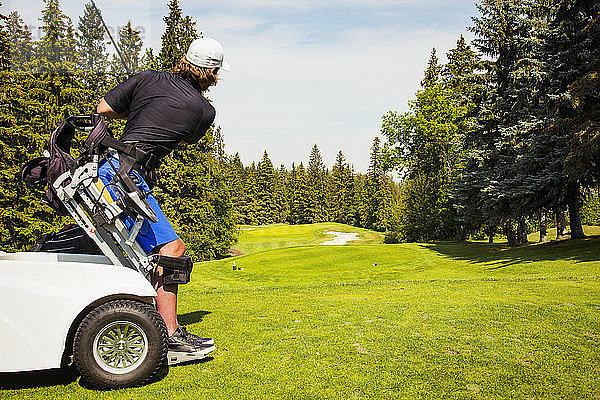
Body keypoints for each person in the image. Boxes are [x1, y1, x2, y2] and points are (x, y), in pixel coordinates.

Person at [96, 37, 230, 355]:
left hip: (111, 169)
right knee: (172, 248)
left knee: (162, 250)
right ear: (211, 73)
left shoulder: (147, 77)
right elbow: (183, 134)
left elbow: (104, 109)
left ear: (185, 61)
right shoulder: (203, 111)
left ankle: (163, 327)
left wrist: (140, 102)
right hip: (124, 179)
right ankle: (169, 335)